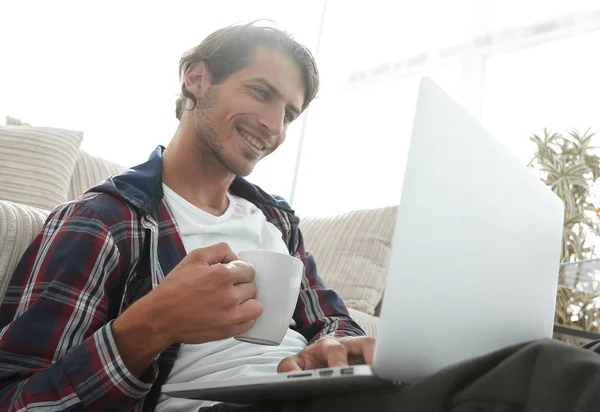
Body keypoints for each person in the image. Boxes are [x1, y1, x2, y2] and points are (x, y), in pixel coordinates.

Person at [1, 21, 600, 412]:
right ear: (197, 79)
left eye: (289, 112)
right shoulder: (103, 219)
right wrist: (149, 326)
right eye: (261, 93)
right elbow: (17, 397)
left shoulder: (276, 220)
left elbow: (328, 320)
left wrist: (342, 350)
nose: (274, 125)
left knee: (534, 371)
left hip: (308, 393)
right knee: (543, 376)